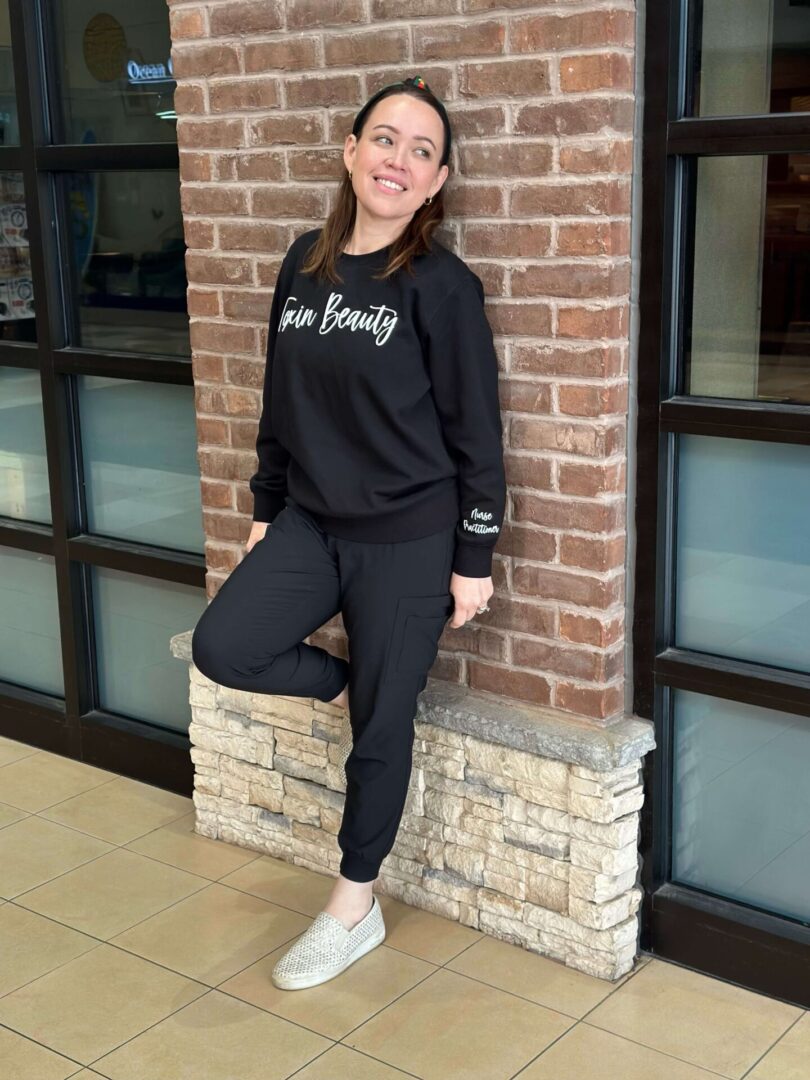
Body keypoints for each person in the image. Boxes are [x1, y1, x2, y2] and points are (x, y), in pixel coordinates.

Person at [190, 74, 506, 990]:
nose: (397, 160)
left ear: (438, 181)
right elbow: (279, 402)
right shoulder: (305, 261)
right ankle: (348, 686)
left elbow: (476, 435)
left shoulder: (442, 288)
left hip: (410, 538)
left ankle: (352, 905)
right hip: (312, 523)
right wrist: (263, 508)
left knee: (383, 730)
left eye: (420, 150)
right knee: (225, 645)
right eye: (384, 139)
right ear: (350, 151)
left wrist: (473, 557)